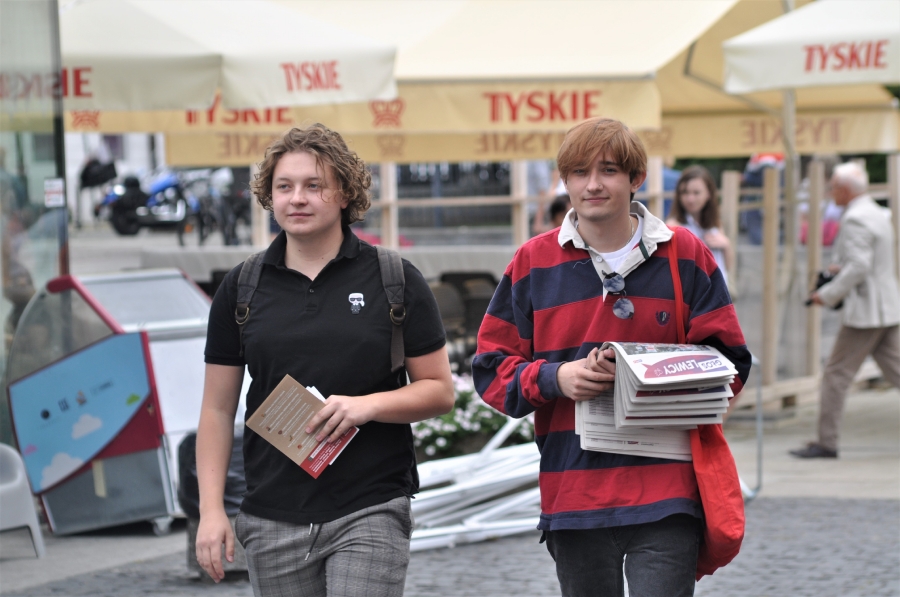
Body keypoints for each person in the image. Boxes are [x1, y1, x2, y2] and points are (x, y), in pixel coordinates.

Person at [472, 118, 751, 597]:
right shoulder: (532, 263)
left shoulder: (685, 254)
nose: (593, 185)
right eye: (579, 172)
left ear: (635, 178)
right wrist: (558, 377)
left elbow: (732, 363)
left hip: (668, 491)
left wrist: (653, 375)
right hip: (573, 492)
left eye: (608, 171)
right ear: (565, 181)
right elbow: (490, 370)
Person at [195, 124, 454, 597]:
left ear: (344, 193)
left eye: (314, 185)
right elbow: (216, 408)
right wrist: (211, 511)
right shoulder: (242, 287)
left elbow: (439, 391)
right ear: (269, 196)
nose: (297, 198)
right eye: (284, 186)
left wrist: (366, 406)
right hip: (272, 515)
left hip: (370, 505)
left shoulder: (394, 278)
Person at [791, 162, 900, 459]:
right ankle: (825, 441)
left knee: (836, 375)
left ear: (843, 189)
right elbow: (867, 262)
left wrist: (826, 295)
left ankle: (826, 442)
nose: (830, 193)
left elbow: (860, 266)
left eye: (832, 188)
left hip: (867, 311)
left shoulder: (855, 218)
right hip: (885, 307)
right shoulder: (875, 212)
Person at [666, 165, 733, 283]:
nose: (690, 199)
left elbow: (727, 267)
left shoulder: (715, 223)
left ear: (708, 193)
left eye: (696, 193)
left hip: (720, 289)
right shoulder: (673, 226)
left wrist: (726, 245)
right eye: (685, 192)